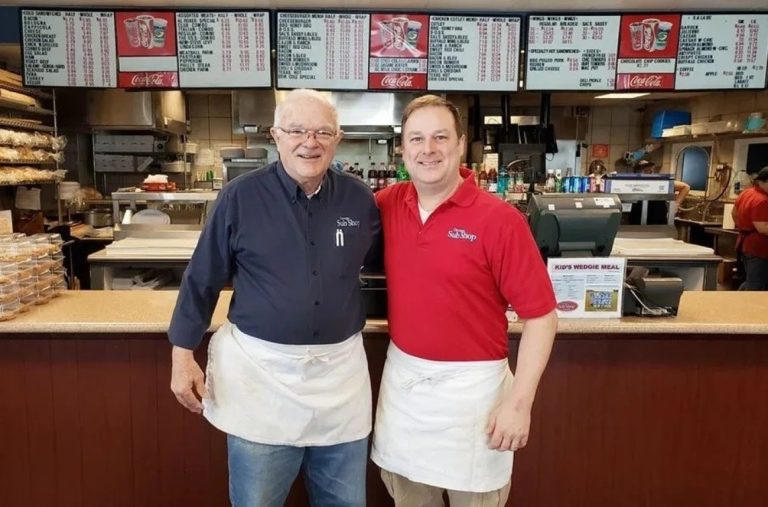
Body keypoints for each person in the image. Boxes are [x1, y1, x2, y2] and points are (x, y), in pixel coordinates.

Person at [168, 88, 381, 507]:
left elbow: (383, 265)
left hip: (341, 382)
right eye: (297, 130)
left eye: (322, 132)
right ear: (276, 136)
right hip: (262, 380)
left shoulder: (359, 198)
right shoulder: (240, 197)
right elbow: (202, 277)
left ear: (337, 138)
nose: (310, 142)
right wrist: (182, 355)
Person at [371, 95, 558, 506]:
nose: (428, 149)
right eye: (416, 139)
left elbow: (542, 317)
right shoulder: (387, 205)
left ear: (460, 145)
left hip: (476, 403)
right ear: (402, 149)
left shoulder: (500, 221)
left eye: (440, 137)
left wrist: (519, 404)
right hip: (406, 397)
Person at [732, 166, 768, 290]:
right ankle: (741, 303)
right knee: (755, 284)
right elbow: (763, 228)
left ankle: (736, 300)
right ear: (763, 181)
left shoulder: (747, 192)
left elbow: (734, 213)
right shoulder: (763, 200)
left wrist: (743, 226)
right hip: (758, 248)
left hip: (745, 244)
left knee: (751, 280)